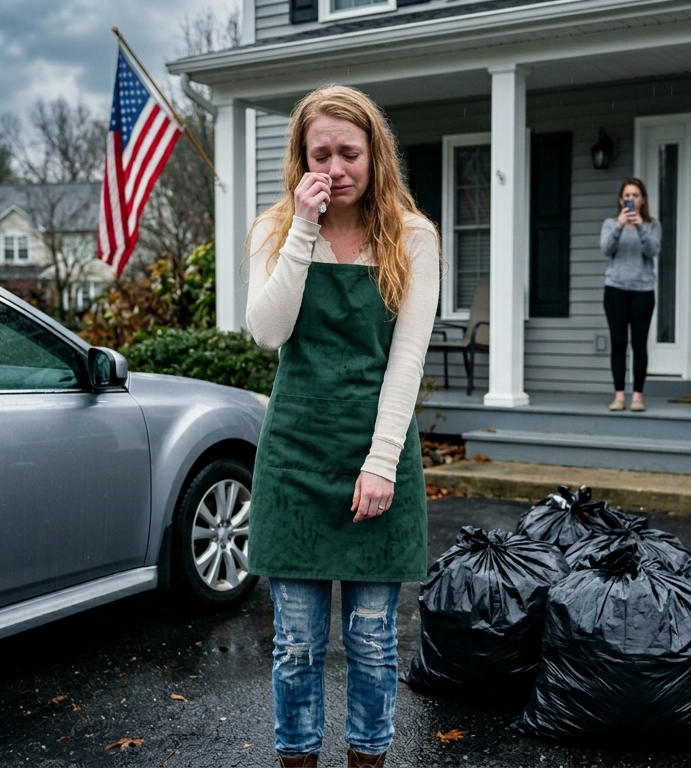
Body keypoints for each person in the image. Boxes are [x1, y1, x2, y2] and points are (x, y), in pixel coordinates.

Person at [244, 85, 440, 768]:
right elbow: (267, 333)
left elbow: (407, 359)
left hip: (376, 455)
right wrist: (303, 228)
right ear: (300, 160)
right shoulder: (274, 231)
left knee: (371, 640)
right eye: (319, 153)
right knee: (297, 642)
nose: (335, 167)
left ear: (375, 155)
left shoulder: (413, 237)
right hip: (294, 455)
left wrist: (382, 462)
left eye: (349, 152)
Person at [600, 178, 661, 412]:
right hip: (615, 289)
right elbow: (606, 249)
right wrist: (619, 226)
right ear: (621, 199)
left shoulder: (652, 225)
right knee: (618, 343)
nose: (631, 199)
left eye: (636, 195)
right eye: (627, 195)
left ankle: (637, 396)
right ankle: (618, 396)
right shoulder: (610, 223)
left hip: (643, 291)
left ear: (642, 199)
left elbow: (653, 250)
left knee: (639, 344)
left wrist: (640, 228)